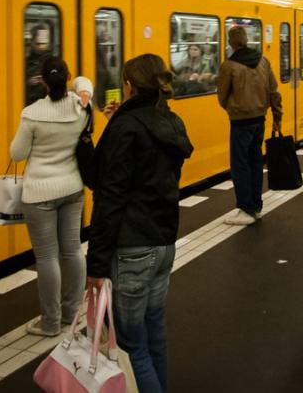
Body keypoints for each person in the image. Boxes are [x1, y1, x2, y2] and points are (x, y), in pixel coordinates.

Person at [86, 54, 193, 393]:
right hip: (163, 244)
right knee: (154, 333)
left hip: (132, 246)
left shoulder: (126, 128)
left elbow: (109, 196)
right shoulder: (171, 122)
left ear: (129, 86)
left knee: (132, 348)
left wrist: (97, 263)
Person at [10, 57, 92, 336]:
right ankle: (71, 313)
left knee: (47, 258)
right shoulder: (80, 107)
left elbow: (17, 154)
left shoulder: (32, 113)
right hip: (72, 188)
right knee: (72, 250)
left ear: (42, 82)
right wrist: (83, 89)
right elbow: (85, 83)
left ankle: (50, 322)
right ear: (68, 77)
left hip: (39, 194)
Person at [217, 26, 283, 225]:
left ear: (231, 43)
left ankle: (245, 208)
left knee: (240, 165)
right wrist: (277, 116)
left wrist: (232, 107)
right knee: (255, 162)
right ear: (246, 41)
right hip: (259, 120)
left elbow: (221, 96)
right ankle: (256, 206)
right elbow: (274, 91)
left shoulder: (229, 65)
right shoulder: (263, 61)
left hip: (240, 122)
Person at [26, 24, 52, 105]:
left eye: (43, 43)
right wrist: (28, 83)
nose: (41, 47)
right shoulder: (24, 62)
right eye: (38, 43)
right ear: (32, 42)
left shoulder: (53, 62)